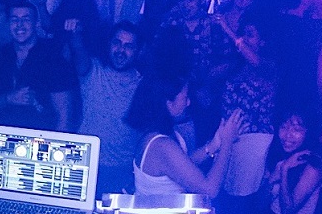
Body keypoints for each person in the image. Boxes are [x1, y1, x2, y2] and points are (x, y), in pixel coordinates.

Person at [125, 70, 243, 198]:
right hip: (161, 211)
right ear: (169, 104)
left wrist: (214, 144)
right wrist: (227, 142)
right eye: (185, 98)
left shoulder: (165, 135)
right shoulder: (161, 145)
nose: (188, 103)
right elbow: (210, 189)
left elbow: (182, 165)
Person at [0, 1, 79, 131]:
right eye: (14, 19)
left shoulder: (54, 58)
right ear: (8, 23)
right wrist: (8, 98)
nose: (20, 25)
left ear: (36, 23)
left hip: (41, 138)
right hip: (2, 137)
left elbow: (65, 117)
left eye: (26, 19)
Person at [72, 21, 143, 194]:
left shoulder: (144, 84)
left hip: (123, 171)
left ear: (138, 51)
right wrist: (75, 34)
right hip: (84, 163)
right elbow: (78, 51)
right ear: (109, 44)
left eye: (128, 46)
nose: (121, 50)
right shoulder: (94, 70)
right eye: (117, 43)